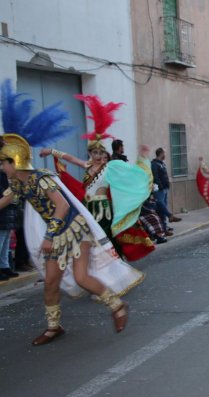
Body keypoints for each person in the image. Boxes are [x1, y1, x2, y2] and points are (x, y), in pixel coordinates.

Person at [0, 80, 143, 345]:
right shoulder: (18, 183)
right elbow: (5, 199)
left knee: (81, 277)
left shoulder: (42, 178)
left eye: (3, 162)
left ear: (15, 160)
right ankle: (54, 327)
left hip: (75, 230)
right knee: (51, 281)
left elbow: (63, 206)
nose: (1, 167)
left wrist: (47, 236)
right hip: (56, 235)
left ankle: (117, 306)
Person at [41, 95, 154, 262]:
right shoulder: (88, 166)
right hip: (89, 208)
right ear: (90, 154)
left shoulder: (110, 167)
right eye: (95, 153)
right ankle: (101, 268)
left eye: (101, 153)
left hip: (103, 210)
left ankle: (116, 264)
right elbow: (71, 158)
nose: (98, 156)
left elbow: (131, 173)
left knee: (105, 238)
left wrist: (143, 158)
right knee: (90, 240)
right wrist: (51, 151)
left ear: (105, 154)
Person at [151, 148, 181, 230]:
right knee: (161, 206)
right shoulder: (154, 164)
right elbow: (155, 177)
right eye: (164, 153)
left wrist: (167, 184)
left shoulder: (162, 164)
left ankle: (164, 226)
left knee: (163, 207)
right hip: (160, 189)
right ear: (161, 154)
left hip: (165, 188)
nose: (165, 155)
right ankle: (169, 217)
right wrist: (160, 186)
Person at [0, 169, 19, 281]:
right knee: (1, 241)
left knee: (5, 242)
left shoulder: (4, 174)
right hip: (3, 211)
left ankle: (5, 266)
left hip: (7, 211)